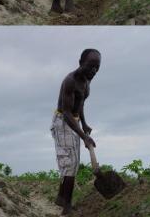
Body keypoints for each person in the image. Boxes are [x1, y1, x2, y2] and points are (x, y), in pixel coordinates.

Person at [51, 49, 100, 215]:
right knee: (69, 164)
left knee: (74, 164)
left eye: (97, 68)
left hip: (75, 121)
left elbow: (79, 105)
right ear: (80, 62)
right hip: (63, 122)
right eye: (91, 66)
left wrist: (84, 124)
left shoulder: (87, 82)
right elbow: (66, 112)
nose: (94, 71)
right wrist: (84, 136)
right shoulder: (70, 81)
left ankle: (61, 198)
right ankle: (67, 208)